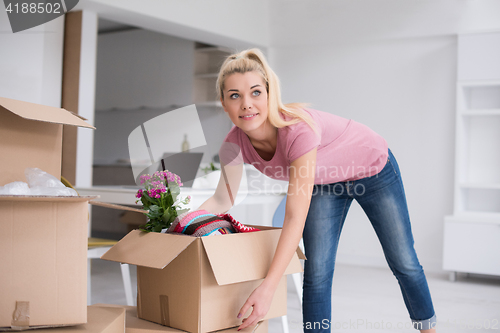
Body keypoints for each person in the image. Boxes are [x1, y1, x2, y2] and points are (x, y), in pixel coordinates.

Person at [196, 48, 437, 333]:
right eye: (235, 95)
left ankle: (428, 329)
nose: (246, 103)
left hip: (372, 168)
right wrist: (180, 221)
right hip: (324, 180)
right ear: (224, 103)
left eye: (256, 92)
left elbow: (295, 216)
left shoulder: (296, 130)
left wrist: (269, 287)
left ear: (270, 95)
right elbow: (224, 198)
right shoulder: (232, 146)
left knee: (403, 261)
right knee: (317, 273)